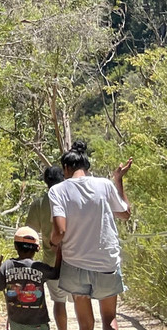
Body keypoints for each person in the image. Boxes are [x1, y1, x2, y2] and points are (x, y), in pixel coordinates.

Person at [49, 140, 133, 330]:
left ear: (66, 168)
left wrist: (52, 243)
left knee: (85, 325)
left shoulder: (58, 191)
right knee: (109, 318)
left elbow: (60, 231)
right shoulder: (104, 185)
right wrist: (118, 180)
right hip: (106, 263)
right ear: (86, 167)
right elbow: (125, 214)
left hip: (75, 264)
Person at [26, 165, 69, 330]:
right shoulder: (71, 199)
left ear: (46, 182)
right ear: (63, 178)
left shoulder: (39, 204)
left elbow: (30, 232)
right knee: (82, 300)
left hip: (51, 262)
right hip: (78, 257)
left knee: (59, 302)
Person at [0, 226, 62, 330]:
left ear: (15, 246)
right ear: (37, 248)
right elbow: (56, 274)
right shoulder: (39, 267)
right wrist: (59, 252)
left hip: (16, 322)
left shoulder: (7, 265)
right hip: (38, 322)